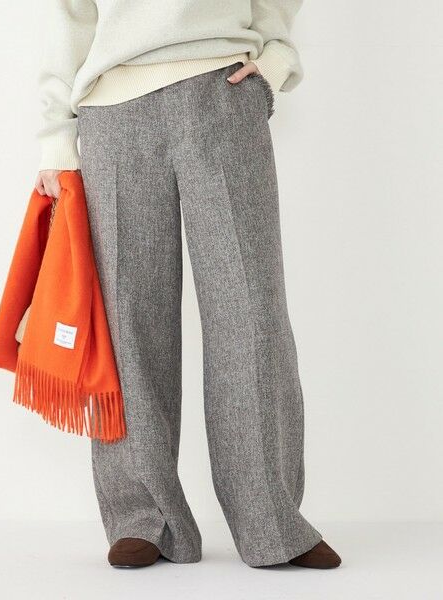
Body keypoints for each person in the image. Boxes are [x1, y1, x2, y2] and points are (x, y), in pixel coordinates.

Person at [35, 0, 341, 570]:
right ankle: (143, 518)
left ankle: (271, 521)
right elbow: (70, 15)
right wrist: (56, 137)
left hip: (221, 90)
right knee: (128, 321)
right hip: (113, 109)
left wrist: (274, 59)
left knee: (250, 313)